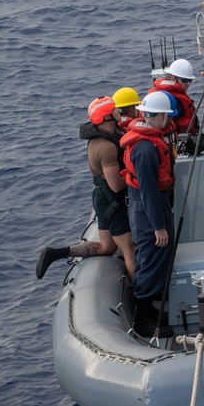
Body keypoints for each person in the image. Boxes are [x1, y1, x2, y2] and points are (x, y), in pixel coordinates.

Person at [35, 93, 137, 279]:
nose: (117, 111)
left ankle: (56, 253)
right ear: (107, 116)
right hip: (112, 201)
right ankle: (140, 295)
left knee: (106, 247)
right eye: (114, 109)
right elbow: (115, 185)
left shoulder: (105, 136)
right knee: (129, 250)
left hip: (101, 199)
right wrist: (134, 177)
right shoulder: (105, 146)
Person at [120, 91, 177, 337]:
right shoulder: (144, 150)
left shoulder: (147, 143)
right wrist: (158, 226)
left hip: (149, 209)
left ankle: (151, 310)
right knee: (151, 263)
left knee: (155, 260)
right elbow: (149, 192)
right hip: (148, 214)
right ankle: (143, 319)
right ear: (160, 116)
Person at [149, 57, 198, 137]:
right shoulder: (173, 99)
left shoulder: (176, 95)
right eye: (184, 80)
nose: (188, 83)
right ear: (173, 78)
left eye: (190, 80)